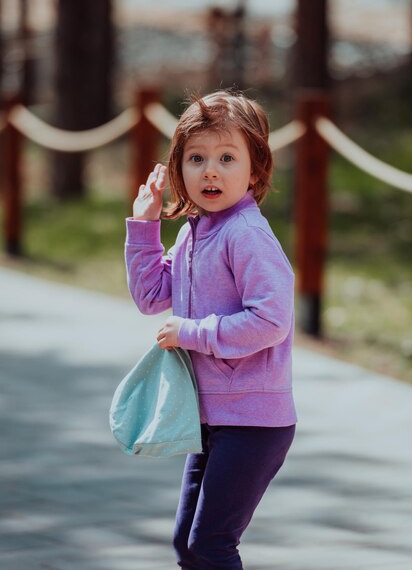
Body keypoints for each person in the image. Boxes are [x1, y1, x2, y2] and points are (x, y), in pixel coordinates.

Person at [125, 90, 297, 570]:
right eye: (196, 158)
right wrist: (144, 225)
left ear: (256, 168)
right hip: (209, 418)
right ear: (179, 169)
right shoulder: (195, 231)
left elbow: (271, 321)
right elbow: (152, 297)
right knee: (189, 547)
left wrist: (192, 332)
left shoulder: (247, 236)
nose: (211, 171)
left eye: (227, 157)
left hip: (254, 422)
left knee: (211, 546)